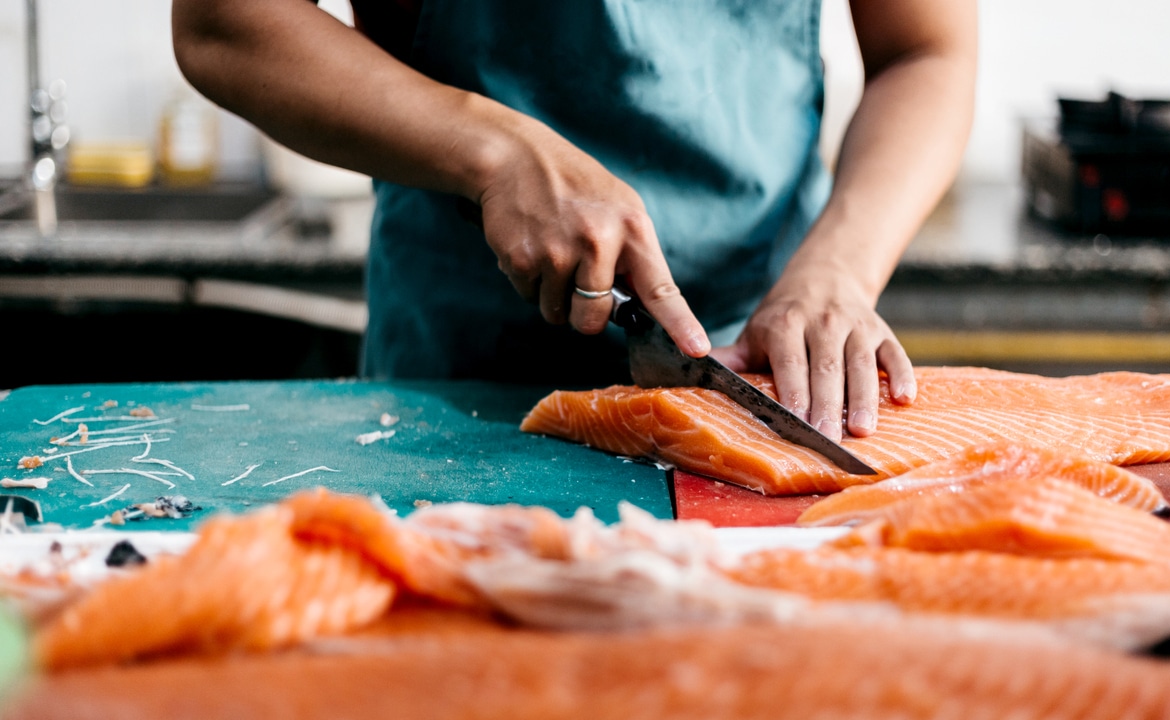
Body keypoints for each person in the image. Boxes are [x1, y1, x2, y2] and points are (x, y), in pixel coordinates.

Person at [171, 0, 976, 439]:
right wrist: (493, 149)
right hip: (457, 375)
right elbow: (223, 21)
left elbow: (926, 50)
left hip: (762, 371)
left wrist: (837, 268)